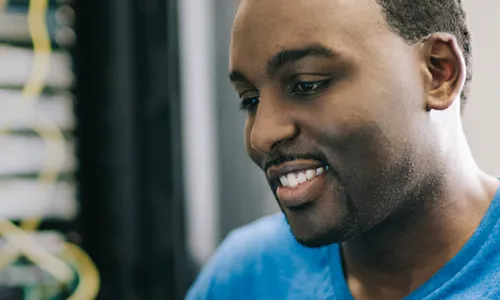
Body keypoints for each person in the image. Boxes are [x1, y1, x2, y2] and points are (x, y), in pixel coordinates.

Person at [187, 0, 500, 299]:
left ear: (438, 72)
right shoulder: (244, 276)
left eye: (307, 84)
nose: (262, 135)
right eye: (250, 100)